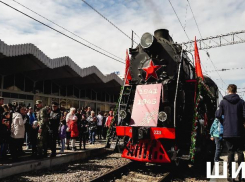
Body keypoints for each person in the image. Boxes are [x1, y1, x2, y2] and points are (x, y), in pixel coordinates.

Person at [216, 84, 245, 181]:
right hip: (240, 132)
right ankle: (242, 176)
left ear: (228, 91)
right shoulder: (241, 102)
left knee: (230, 153)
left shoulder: (223, 102)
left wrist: (224, 122)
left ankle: (231, 176)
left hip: (228, 131)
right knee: (240, 152)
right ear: (236, 91)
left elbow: (218, 115)